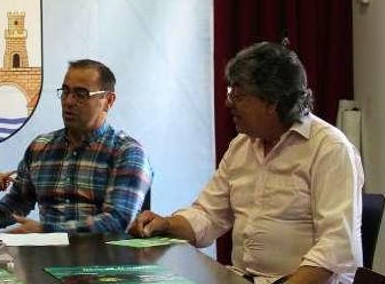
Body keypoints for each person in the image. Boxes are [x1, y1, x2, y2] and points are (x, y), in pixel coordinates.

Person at [128, 42, 364, 284]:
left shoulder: (330, 149)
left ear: (271, 103)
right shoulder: (241, 145)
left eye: (238, 96)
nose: (228, 103)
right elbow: (209, 215)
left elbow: (336, 246)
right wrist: (166, 224)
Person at [0, 59, 152, 233]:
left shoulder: (127, 152)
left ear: (108, 101)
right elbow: (17, 202)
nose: (68, 101)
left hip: (105, 258)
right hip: (46, 257)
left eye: (81, 94)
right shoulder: (40, 148)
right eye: (65, 92)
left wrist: (46, 231)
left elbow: (118, 221)